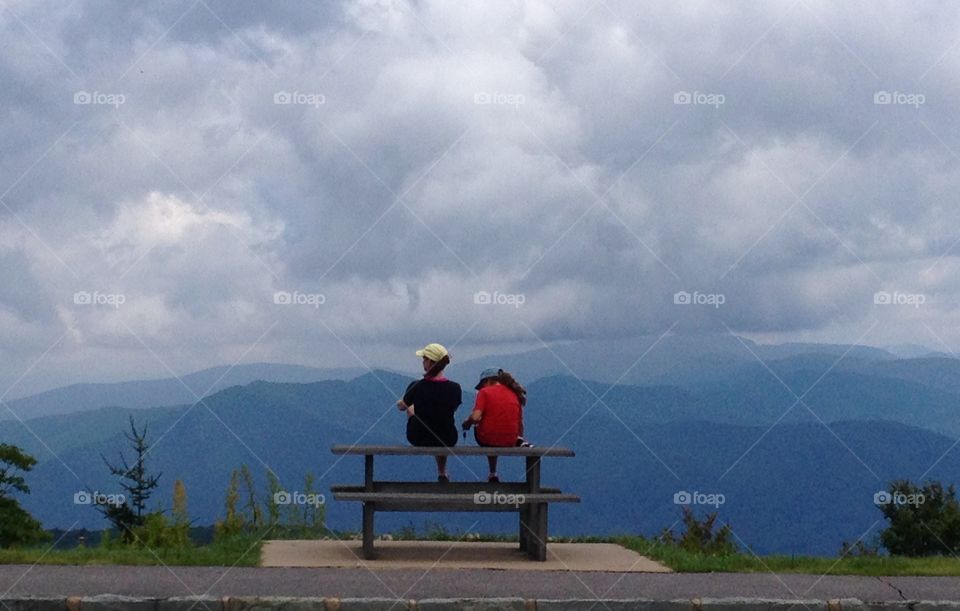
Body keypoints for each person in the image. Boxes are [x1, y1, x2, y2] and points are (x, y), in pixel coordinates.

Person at [396, 342, 462, 482]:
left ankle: (441, 472)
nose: (423, 362)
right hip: (448, 438)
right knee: (442, 419)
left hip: (418, 437)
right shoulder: (455, 388)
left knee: (411, 408)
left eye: (424, 359)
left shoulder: (417, 386)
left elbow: (402, 406)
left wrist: (405, 402)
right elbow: (454, 408)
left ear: (431, 362)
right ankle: (442, 472)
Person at [461, 368, 527, 483]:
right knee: (494, 429)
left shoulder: (484, 392)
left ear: (487, 381)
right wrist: (518, 439)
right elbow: (520, 423)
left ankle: (493, 472)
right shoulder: (515, 394)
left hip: (487, 439)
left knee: (489, 433)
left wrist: (467, 423)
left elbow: (476, 417)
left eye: (482, 385)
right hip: (510, 440)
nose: (481, 389)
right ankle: (493, 473)